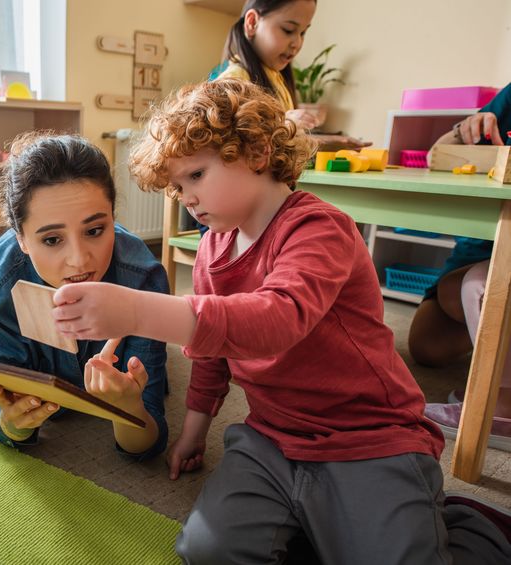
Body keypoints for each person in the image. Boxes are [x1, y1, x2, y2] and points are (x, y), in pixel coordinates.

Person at [50, 79, 511, 563]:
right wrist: (194, 430)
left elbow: (276, 319)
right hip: (272, 436)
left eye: (197, 175)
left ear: (256, 152)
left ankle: (452, 519)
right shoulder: (211, 248)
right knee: (206, 551)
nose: (185, 197)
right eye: (177, 186)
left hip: (368, 435)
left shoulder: (318, 227)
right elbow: (211, 353)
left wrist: (136, 310)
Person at [0, 132, 169, 460]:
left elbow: (147, 444)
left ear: (113, 218)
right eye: (51, 239)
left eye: (94, 231)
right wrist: (14, 423)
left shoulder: (143, 277)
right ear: (20, 238)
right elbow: (0, 415)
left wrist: (128, 406)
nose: (79, 260)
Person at [409, 82, 511, 450]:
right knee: (427, 347)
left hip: (494, 256)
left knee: (474, 287)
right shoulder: (510, 96)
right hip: (478, 246)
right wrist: (463, 127)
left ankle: (500, 404)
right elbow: (437, 155)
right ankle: (494, 348)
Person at [215, 0, 370, 151]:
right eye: (288, 30)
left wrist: (332, 143)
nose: (297, 43)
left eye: (303, 32)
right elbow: (227, 145)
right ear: (252, 22)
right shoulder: (234, 81)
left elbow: (283, 145)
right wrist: (285, 125)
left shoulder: (277, 79)